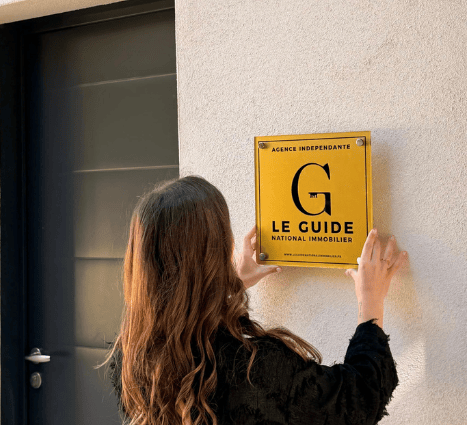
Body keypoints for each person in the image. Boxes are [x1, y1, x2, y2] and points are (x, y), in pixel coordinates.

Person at [104, 176, 407, 425]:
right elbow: (358, 399)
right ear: (220, 248)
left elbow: (185, 320)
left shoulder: (130, 359)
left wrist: (232, 283)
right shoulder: (255, 367)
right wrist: (370, 301)